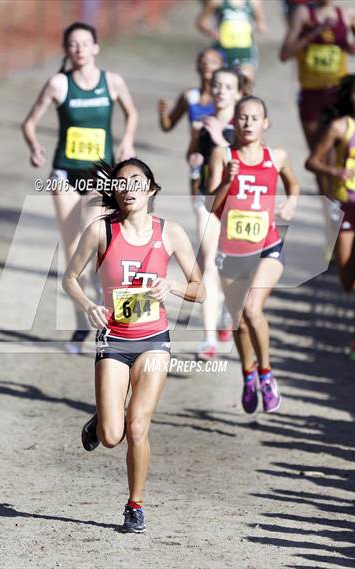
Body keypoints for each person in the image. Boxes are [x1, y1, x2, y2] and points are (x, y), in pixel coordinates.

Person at [62, 158, 206, 533]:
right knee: (113, 436)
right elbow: (70, 279)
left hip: (154, 340)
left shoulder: (170, 233)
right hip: (114, 339)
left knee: (138, 427)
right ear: (115, 192)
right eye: (122, 183)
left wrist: (171, 286)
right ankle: (100, 423)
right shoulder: (101, 231)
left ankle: (134, 505)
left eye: (137, 181)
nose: (129, 188)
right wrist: (88, 306)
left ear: (152, 190)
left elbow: (200, 290)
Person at [22, 22, 138, 353]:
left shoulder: (112, 82)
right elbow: (29, 122)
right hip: (65, 173)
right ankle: (80, 320)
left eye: (85, 43)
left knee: (100, 240)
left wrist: (127, 139)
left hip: (101, 174)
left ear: (96, 47)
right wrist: (34, 147)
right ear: (66, 49)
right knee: (72, 248)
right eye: (73, 44)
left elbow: (131, 114)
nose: (79, 49)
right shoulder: (59, 84)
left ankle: (108, 306)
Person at [209, 96, 299, 413]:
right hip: (231, 250)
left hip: (268, 246)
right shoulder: (223, 155)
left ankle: (266, 375)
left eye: (254, 117)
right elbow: (212, 206)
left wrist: (290, 203)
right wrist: (226, 181)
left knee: (252, 308)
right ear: (235, 120)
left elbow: (294, 184)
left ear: (265, 123)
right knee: (239, 323)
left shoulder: (276, 156)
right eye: (243, 117)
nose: (248, 123)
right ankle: (248, 375)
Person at [306, 71, 355, 362]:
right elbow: (312, 162)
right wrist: (335, 172)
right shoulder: (340, 127)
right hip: (346, 204)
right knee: (347, 279)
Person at [279, 0, 355, 195]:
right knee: (317, 154)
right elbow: (285, 54)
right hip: (311, 94)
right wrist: (312, 34)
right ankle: (327, 201)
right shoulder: (304, 13)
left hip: (338, 92)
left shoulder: (344, 13)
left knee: (339, 150)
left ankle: (339, 202)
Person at [187, 67, 242, 359]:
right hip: (206, 201)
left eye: (228, 86)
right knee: (209, 262)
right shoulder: (203, 122)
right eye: (217, 85)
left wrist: (223, 138)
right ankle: (208, 338)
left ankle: (223, 311)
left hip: (237, 204)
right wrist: (195, 155)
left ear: (238, 92)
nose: (220, 91)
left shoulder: (245, 125)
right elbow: (192, 155)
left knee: (227, 264)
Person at [196, 0, 267, 84]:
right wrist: (211, 32)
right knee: (219, 84)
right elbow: (201, 22)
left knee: (245, 84)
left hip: (245, 51)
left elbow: (262, 25)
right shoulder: (216, 2)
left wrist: (253, 26)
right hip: (222, 51)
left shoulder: (254, 2)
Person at [158, 47, 223, 132]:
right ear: (197, 66)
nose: (207, 64)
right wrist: (163, 114)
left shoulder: (227, 97)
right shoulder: (189, 96)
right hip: (196, 144)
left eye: (213, 61)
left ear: (222, 67)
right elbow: (167, 127)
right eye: (203, 61)